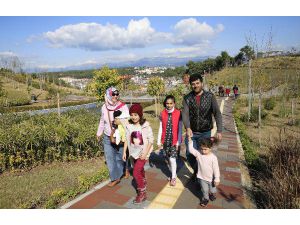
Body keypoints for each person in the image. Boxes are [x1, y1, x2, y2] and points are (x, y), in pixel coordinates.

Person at [182, 73, 222, 180]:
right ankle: (198, 170)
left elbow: (217, 113)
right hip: (192, 132)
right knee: (189, 154)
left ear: (201, 83)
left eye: (197, 83)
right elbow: (185, 114)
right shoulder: (187, 98)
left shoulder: (210, 96)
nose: (195, 86)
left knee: (204, 154)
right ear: (190, 85)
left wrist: (219, 130)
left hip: (205, 132)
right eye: (193, 84)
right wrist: (188, 127)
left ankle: (201, 177)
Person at [96, 87, 129, 187]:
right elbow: (102, 120)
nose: (115, 96)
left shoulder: (123, 107)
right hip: (107, 136)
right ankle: (115, 178)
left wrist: (120, 121)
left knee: (120, 157)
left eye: (116, 94)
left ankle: (124, 169)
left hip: (120, 136)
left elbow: (128, 121)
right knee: (109, 157)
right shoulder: (104, 107)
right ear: (108, 95)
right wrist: (99, 133)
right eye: (112, 94)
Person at [123, 104, 154, 204]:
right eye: (131, 114)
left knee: (136, 172)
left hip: (143, 154)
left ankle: (142, 193)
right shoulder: (129, 126)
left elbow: (151, 140)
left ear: (140, 114)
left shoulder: (145, 126)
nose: (133, 117)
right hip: (133, 153)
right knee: (139, 171)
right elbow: (127, 140)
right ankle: (143, 180)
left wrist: (145, 153)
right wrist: (124, 152)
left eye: (136, 114)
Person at [157, 95, 182, 186]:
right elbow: (160, 128)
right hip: (165, 140)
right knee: (168, 158)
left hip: (174, 140)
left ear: (174, 103)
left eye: (171, 103)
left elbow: (180, 129)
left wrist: (178, 142)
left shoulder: (179, 113)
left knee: (172, 159)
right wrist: (159, 141)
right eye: (167, 103)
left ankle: (174, 178)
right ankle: (172, 174)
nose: (169, 105)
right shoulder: (162, 113)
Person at [188, 137, 220, 207]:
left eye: (205, 149)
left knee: (213, 190)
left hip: (211, 179)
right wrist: (190, 141)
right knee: (205, 190)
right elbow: (191, 150)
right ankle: (206, 199)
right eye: (201, 149)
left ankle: (211, 194)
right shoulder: (199, 154)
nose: (203, 151)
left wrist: (217, 178)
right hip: (201, 177)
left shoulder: (213, 158)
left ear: (210, 148)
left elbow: (216, 169)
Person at [113, 110, 130, 178]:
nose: (115, 120)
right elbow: (117, 133)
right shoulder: (118, 126)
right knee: (123, 156)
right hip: (122, 143)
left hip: (126, 142)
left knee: (126, 156)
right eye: (115, 118)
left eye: (116, 118)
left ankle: (126, 170)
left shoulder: (125, 125)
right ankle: (125, 170)